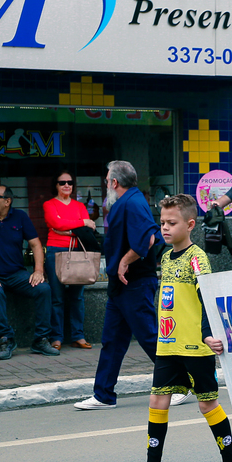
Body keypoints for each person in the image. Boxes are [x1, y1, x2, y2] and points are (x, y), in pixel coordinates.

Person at [115, 194, 232, 462]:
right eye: (162, 222)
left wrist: (208, 333)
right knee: (157, 401)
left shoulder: (197, 257)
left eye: (172, 223)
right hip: (168, 345)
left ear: (190, 224)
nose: (165, 228)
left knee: (207, 403)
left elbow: (206, 295)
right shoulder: (165, 256)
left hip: (195, 347)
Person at [75, 160, 160, 410]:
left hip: (135, 283)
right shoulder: (127, 201)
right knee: (112, 340)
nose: (105, 185)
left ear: (114, 182)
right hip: (120, 285)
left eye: (106, 180)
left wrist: (124, 262)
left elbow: (148, 239)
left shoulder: (133, 202)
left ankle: (183, 382)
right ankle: (103, 395)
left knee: (149, 336)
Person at [0, 185, 56, 361]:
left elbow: (36, 244)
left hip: (17, 274)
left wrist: (38, 270)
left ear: (7, 201)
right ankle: (5, 339)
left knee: (43, 289)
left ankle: (41, 339)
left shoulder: (20, 217)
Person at [43, 169, 95, 350]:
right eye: (62, 182)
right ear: (56, 185)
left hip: (78, 251)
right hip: (56, 251)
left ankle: (78, 336)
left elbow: (86, 230)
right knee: (56, 297)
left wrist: (66, 229)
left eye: (70, 182)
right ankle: (56, 338)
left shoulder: (80, 206)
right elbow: (56, 224)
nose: (67, 185)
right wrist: (81, 223)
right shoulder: (49, 204)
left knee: (77, 297)